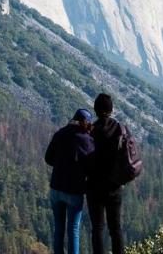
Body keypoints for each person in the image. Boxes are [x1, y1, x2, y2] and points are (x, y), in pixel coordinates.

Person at [45, 108, 95, 254]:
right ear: (86, 123)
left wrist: (61, 164)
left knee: (58, 229)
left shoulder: (59, 134)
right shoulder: (87, 140)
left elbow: (48, 158)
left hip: (56, 187)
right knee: (73, 230)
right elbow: (91, 167)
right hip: (74, 190)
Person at [87, 93, 126, 254]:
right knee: (115, 228)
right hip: (114, 186)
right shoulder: (119, 128)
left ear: (95, 110)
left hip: (94, 186)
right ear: (111, 109)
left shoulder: (91, 130)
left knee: (97, 228)